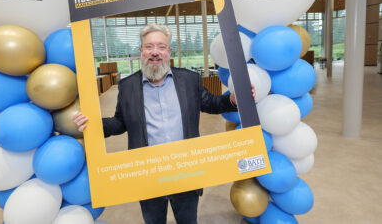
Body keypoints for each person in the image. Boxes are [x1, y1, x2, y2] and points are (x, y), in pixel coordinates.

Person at [73, 23, 255, 224]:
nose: (155, 52)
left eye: (161, 47)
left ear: (169, 51)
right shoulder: (127, 86)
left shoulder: (189, 79)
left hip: (186, 170)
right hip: (148, 175)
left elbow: (211, 104)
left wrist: (232, 100)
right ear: (141, 51)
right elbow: (120, 122)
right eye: (149, 47)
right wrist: (93, 125)